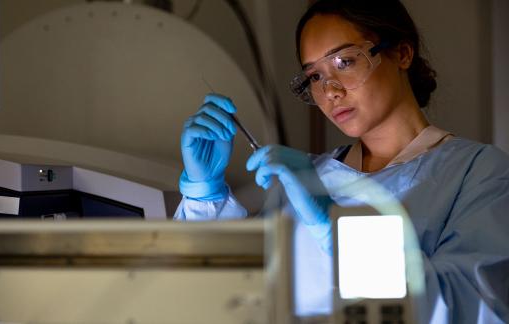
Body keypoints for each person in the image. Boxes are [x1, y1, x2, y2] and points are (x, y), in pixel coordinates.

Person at [174, 0, 509, 322]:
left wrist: (339, 230)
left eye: (345, 62)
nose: (330, 91)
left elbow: (472, 311)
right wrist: (204, 196)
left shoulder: (478, 173)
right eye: (315, 77)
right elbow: (221, 296)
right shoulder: (304, 179)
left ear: (402, 53)